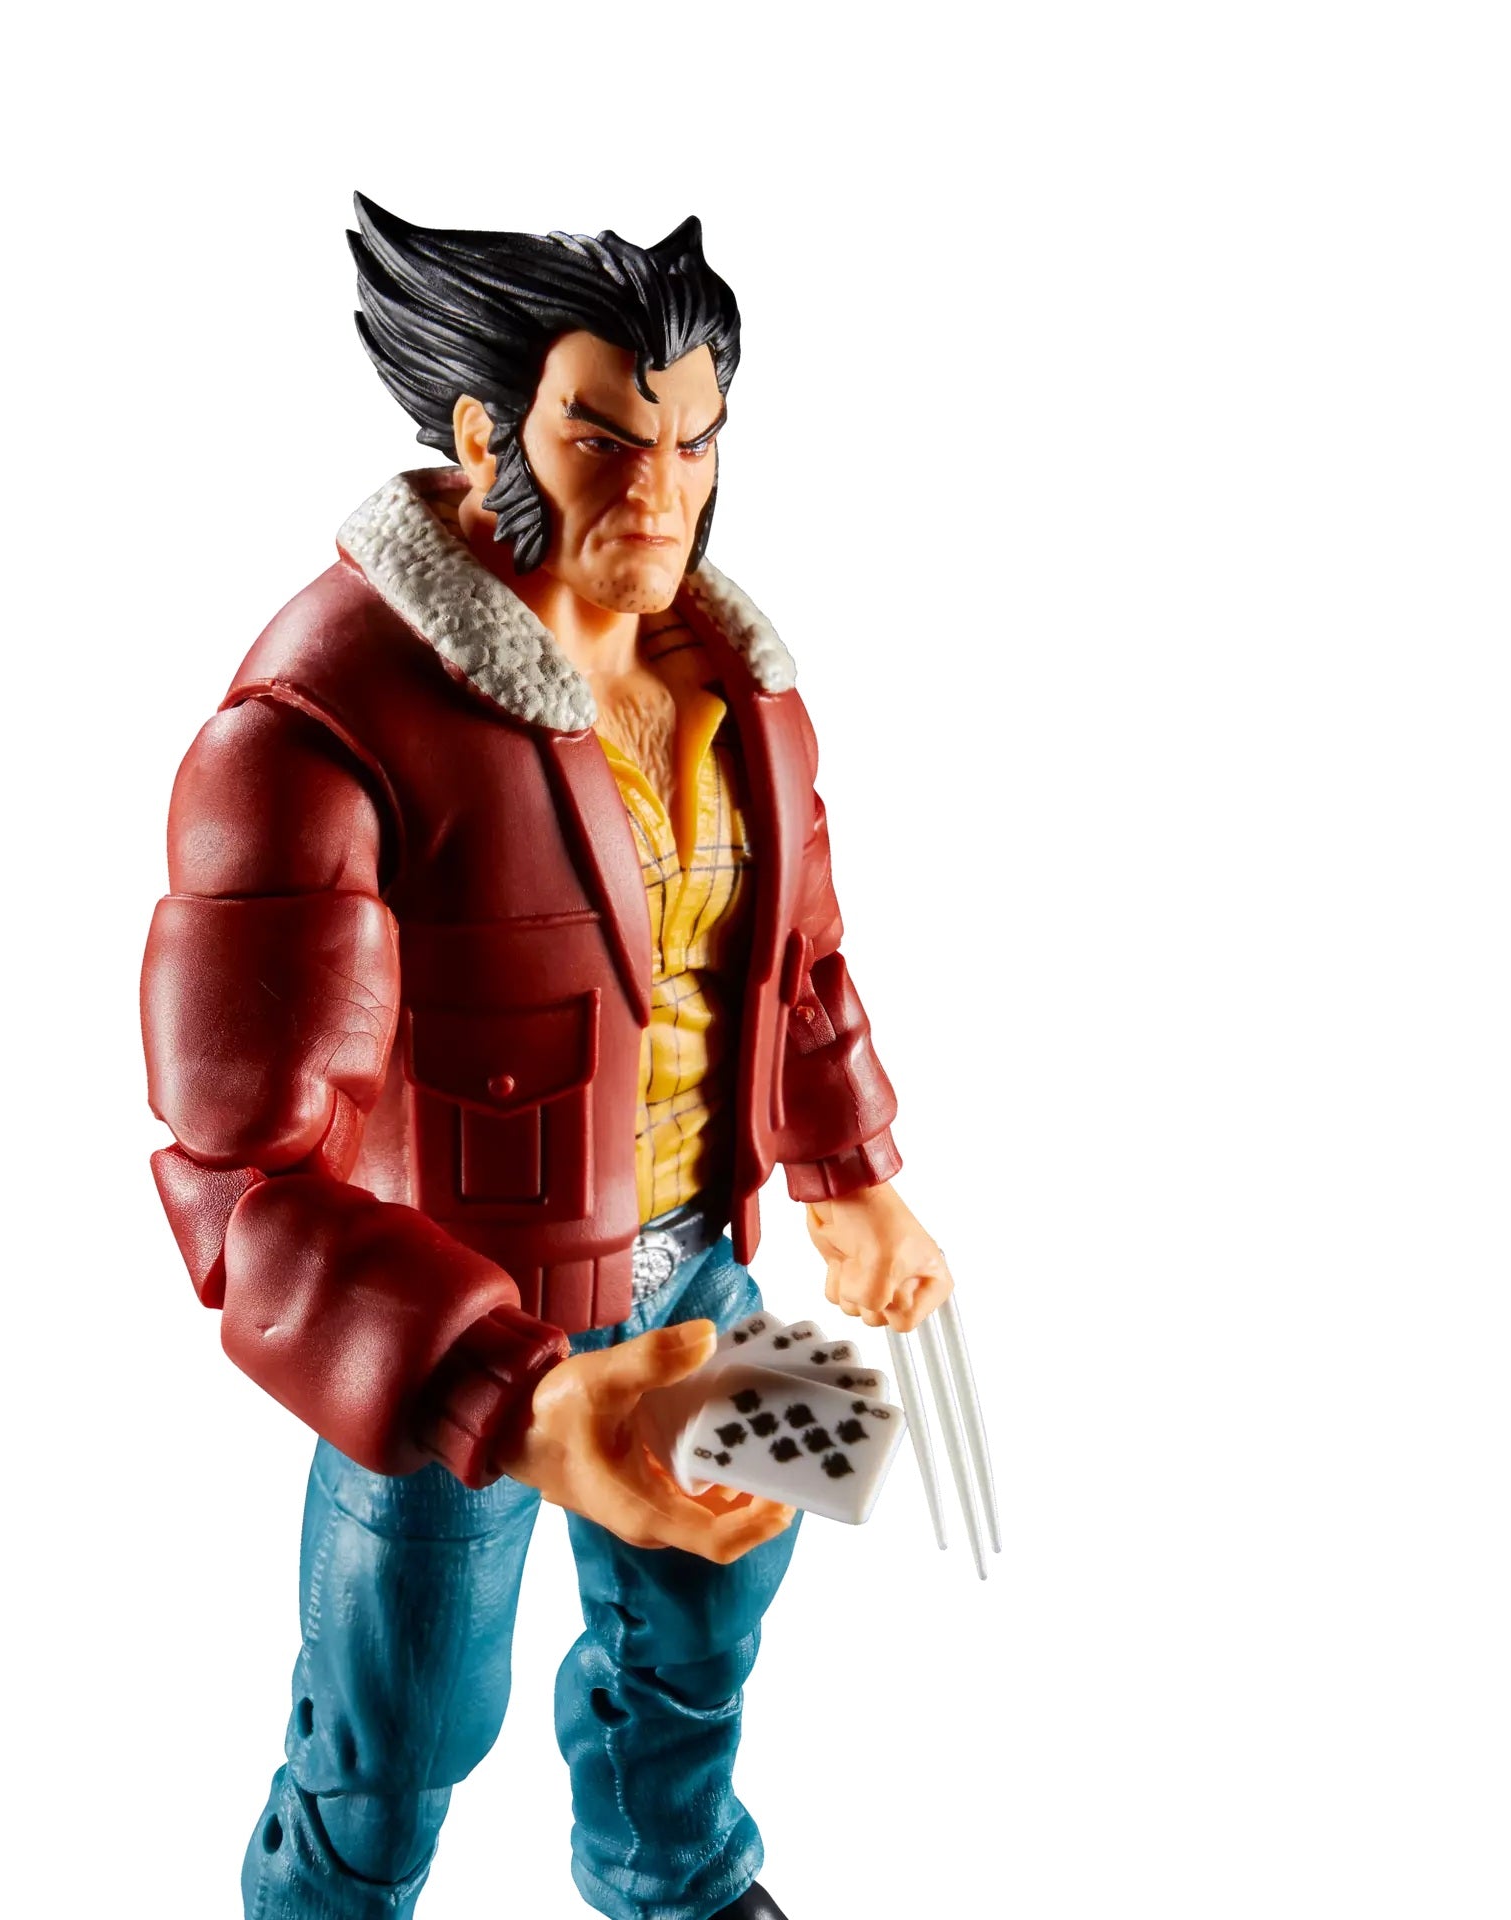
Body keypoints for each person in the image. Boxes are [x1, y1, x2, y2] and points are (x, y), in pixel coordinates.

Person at [141, 195, 956, 1920]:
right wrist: (505, 1398)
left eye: (694, 440)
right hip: (460, 1302)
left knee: (709, 1632)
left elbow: (794, 959)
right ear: (481, 435)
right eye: (605, 438)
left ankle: (681, 1878)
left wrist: (853, 1175)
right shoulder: (326, 712)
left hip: (703, 1261)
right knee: (395, 1726)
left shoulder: (740, 686)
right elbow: (244, 1185)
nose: (660, 490)